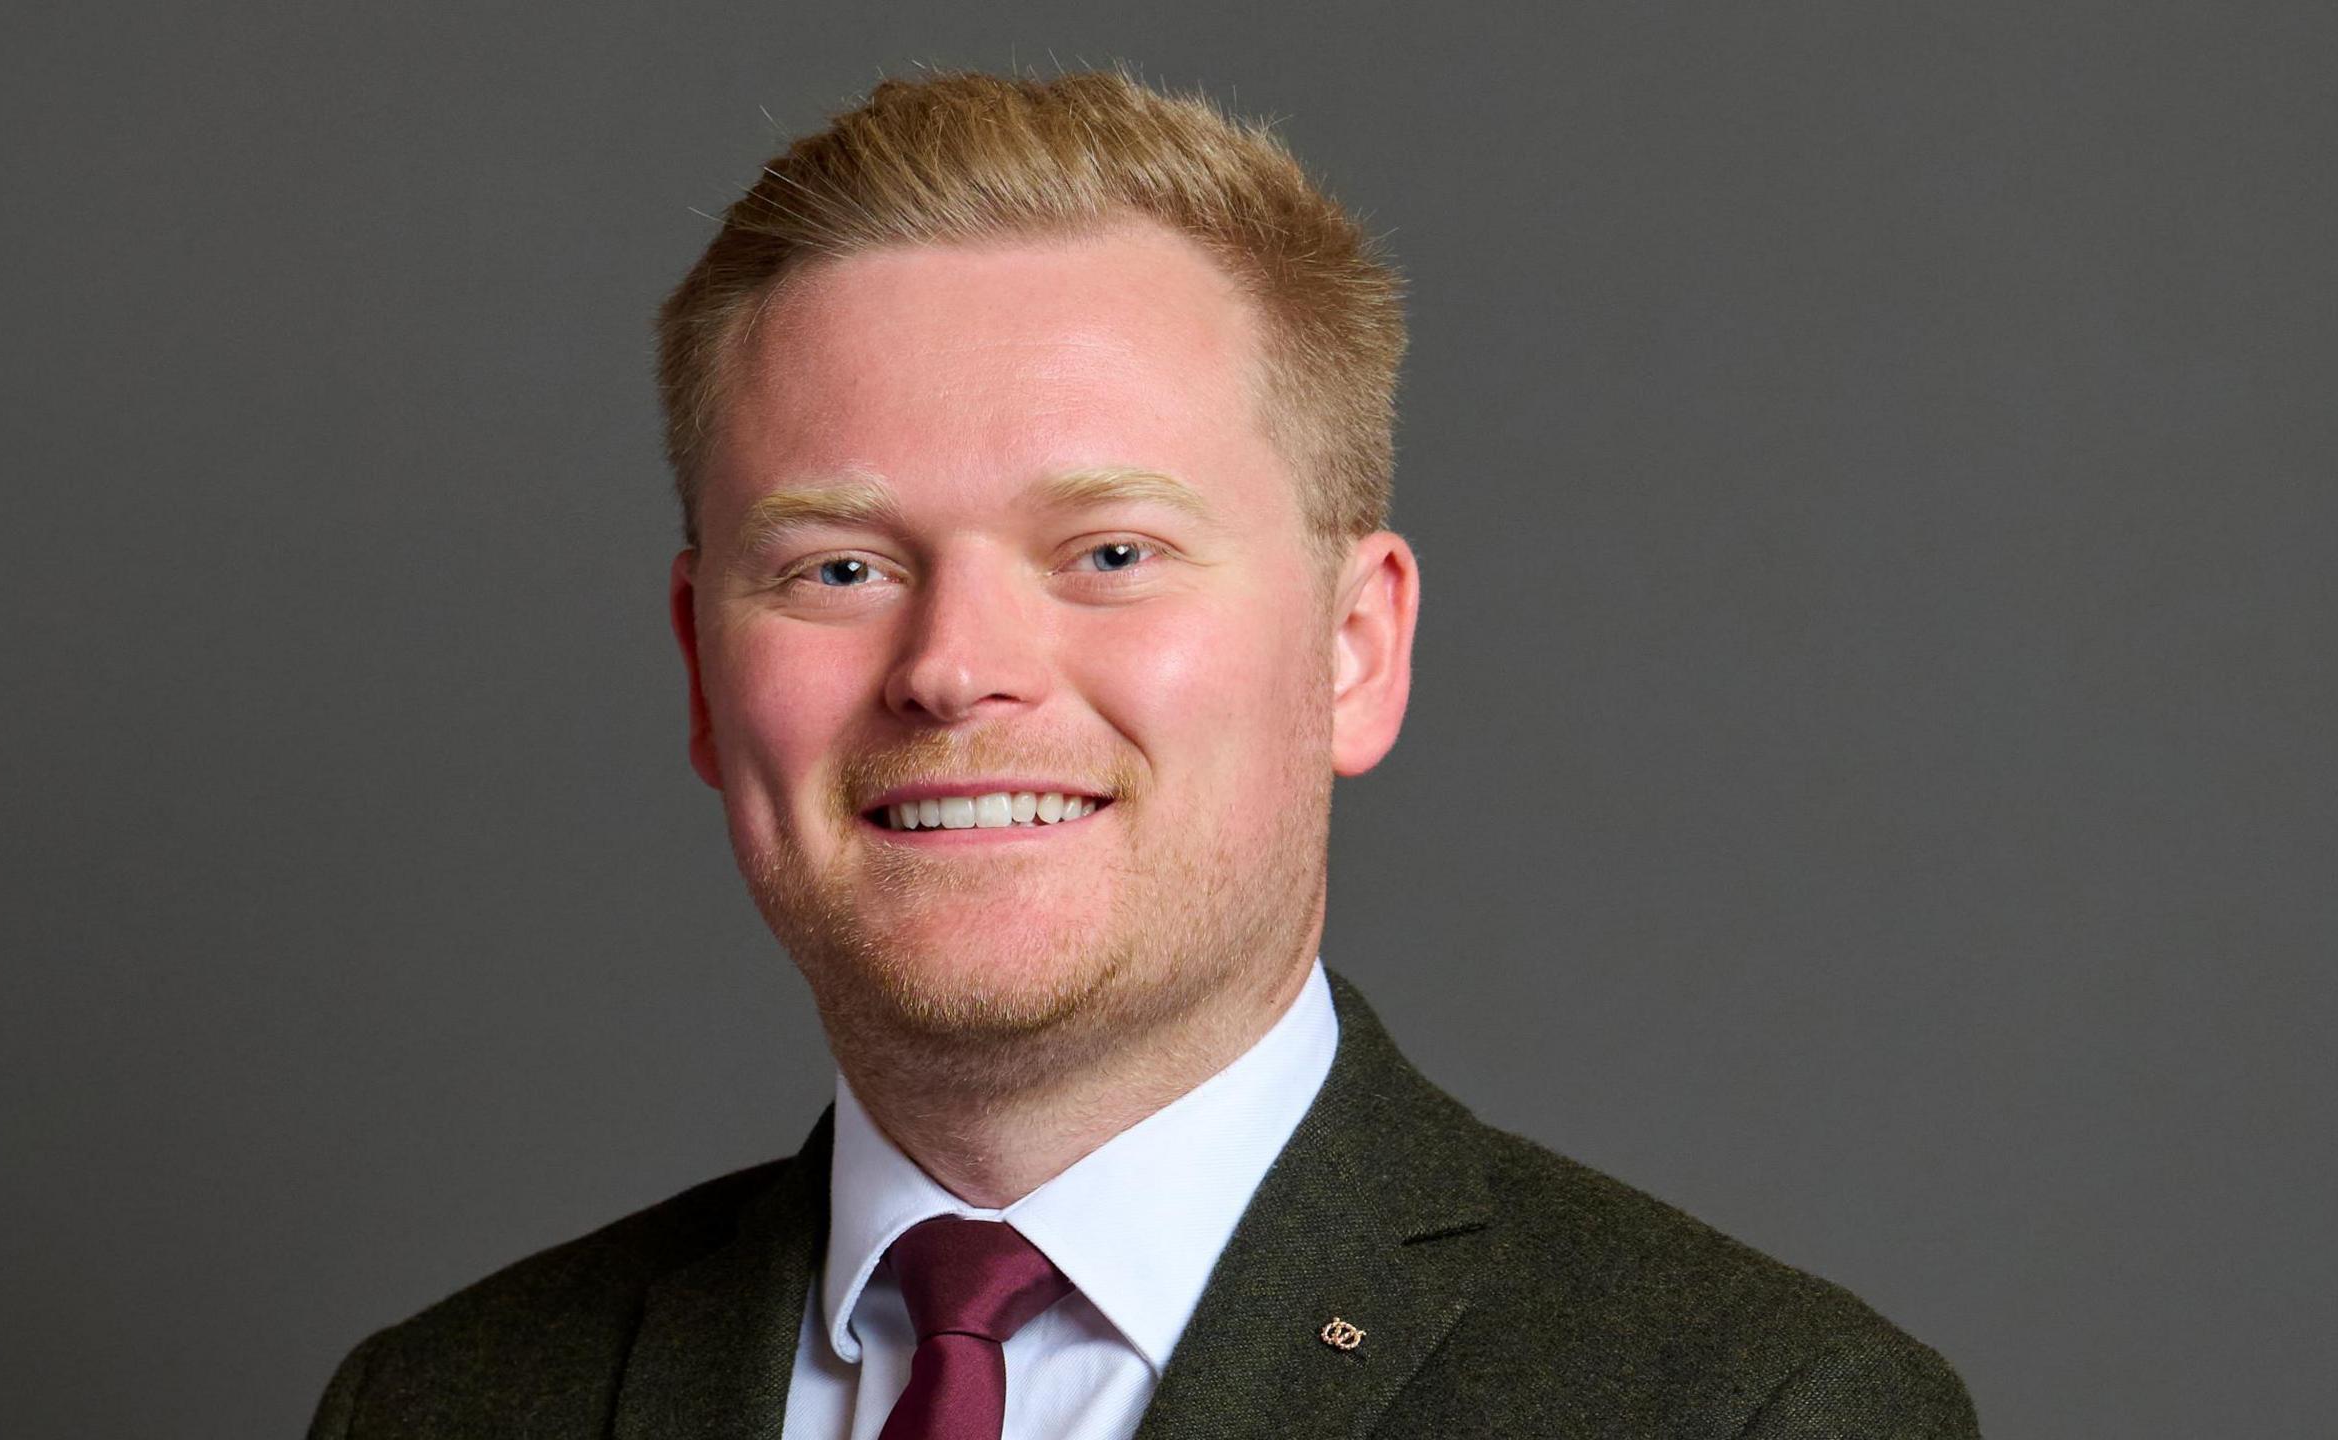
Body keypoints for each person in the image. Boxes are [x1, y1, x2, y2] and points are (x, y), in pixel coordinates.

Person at [307, 69, 1976, 1440]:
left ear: (1354, 648)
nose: (954, 669)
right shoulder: (446, 1404)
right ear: (700, 666)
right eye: (839, 569)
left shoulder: (1758, 1412)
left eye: (1108, 553)